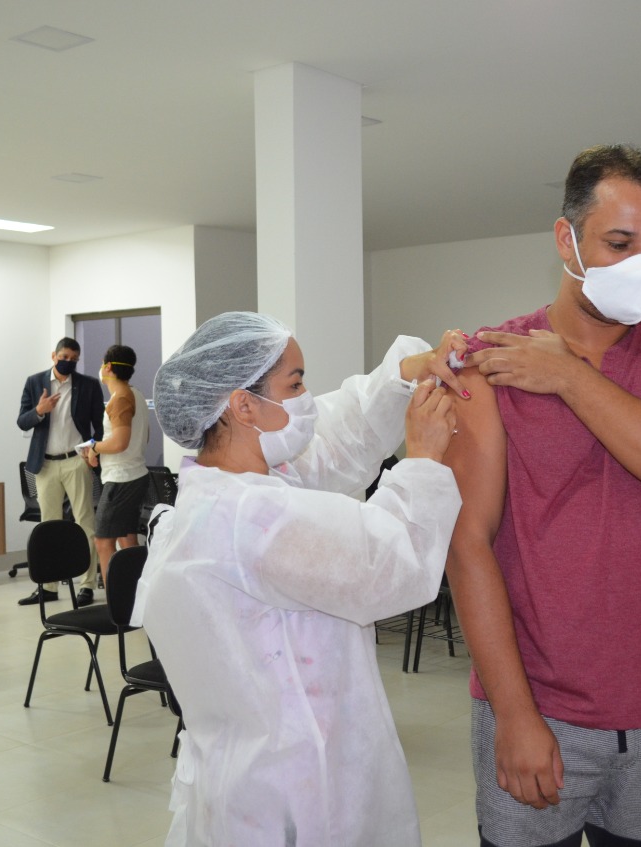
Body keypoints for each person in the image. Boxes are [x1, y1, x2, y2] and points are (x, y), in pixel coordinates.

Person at [446, 145, 641, 847]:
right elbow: (467, 544)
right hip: (535, 706)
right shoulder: (493, 360)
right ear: (566, 238)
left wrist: (572, 377)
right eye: (619, 242)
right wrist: (514, 714)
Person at [131, 311, 467, 847]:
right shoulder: (253, 519)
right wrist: (423, 459)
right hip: (299, 792)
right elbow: (391, 563)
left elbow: (339, 438)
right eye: (295, 384)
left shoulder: (224, 492)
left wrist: (406, 374)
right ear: (243, 405)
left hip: (248, 778)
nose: (307, 398)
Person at [16, 337, 105, 606]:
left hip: (76, 461)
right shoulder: (35, 382)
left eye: (74, 359)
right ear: (53, 356)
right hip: (45, 464)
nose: (68, 362)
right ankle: (49, 587)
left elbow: (99, 426)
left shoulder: (88, 385)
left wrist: (93, 450)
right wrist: (39, 411)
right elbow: (22, 421)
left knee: (85, 522)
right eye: (64, 357)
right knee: (49, 526)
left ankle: (87, 585)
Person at [83, 344, 151, 589]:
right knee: (127, 539)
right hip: (134, 475)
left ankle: (115, 600)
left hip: (121, 479)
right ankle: (135, 597)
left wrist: (95, 447)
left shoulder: (120, 399)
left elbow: (120, 442)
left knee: (103, 542)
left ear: (108, 367)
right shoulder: (136, 395)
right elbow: (143, 438)